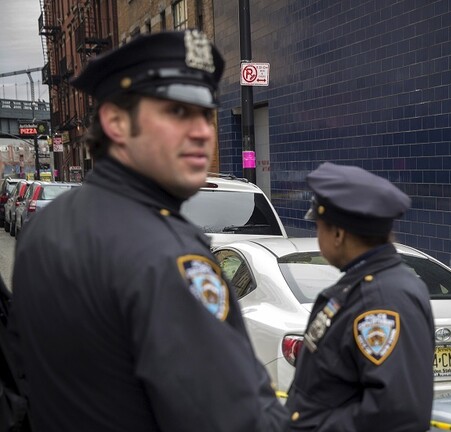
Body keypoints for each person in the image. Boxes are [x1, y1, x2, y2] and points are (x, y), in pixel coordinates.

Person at [8, 30, 288, 431]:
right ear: (116, 122)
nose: (202, 131)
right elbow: (234, 419)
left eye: (205, 114)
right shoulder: (169, 256)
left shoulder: (44, 227)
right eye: (177, 112)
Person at [285, 162, 435, 431]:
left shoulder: (380, 300)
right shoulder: (369, 285)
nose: (317, 234)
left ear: (338, 234)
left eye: (318, 226)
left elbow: (397, 414)